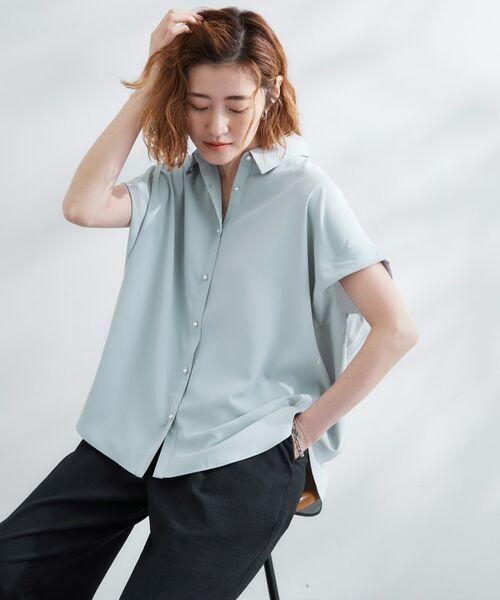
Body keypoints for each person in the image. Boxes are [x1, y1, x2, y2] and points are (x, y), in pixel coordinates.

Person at [0, 6, 419, 599]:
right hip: (131, 438)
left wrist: (303, 435)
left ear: (269, 95)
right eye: (198, 104)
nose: (216, 125)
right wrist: (152, 76)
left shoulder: (306, 193)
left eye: (236, 106)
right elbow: (83, 206)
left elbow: (396, 328)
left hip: (240, 457)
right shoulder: (169, 188)